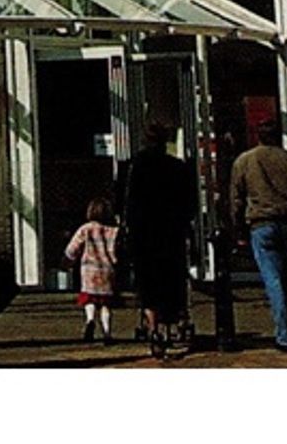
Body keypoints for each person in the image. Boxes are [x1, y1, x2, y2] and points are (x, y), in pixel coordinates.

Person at [230, 117, 287, 353]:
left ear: (258, 136)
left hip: (262, 223)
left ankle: (285, 335)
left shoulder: (244, 161)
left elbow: (236, 199)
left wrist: (238, 229)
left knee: (274, 280)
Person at [119, 121, 199, 356]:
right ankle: (168, 324)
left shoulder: (132, 168)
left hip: (143, 234)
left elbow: (123, 204)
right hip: (171, 233)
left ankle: (153, 327)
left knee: (147, 284)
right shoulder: (178, 168)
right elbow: (190, 205)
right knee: (172, 280)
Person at [64, 196, 120, 342]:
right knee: (106, 303)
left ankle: (90, 320)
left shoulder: (85, 229)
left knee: (90, 298)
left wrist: (69, 259)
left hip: (89, 269)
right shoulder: (113, 231)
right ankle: (107, 332)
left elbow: (72, 248)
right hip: (108, 269)